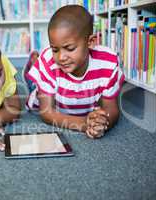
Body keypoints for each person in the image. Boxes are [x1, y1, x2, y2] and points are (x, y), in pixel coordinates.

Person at [26, 5, 125, 139]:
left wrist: (102, 123)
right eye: (55, 50)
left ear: (90, 42)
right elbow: (47, 113)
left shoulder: (108, 62)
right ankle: (33, 68)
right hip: (49, 98)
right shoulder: (48, 60)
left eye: (70, 48)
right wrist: (84, 124)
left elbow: (111, 110)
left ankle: (34, 66)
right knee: (34, 87)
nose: (61, 57)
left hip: (84, 105)